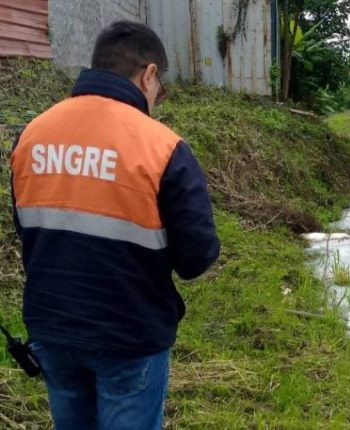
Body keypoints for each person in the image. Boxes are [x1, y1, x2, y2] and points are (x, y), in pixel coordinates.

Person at [10, 21, 220, 429]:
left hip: (52, 329)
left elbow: (28, 227)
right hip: (129, 335)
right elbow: (196, 257)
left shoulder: (31, 136)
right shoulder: (162, 147)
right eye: (160, 88)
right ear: (149, 74)